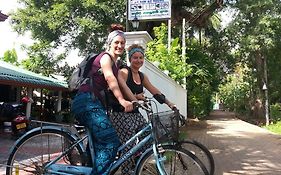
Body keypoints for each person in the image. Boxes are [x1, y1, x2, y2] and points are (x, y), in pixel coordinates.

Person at [71, 24, 133, 175]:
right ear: (110, 43)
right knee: (111, 142)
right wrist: (122, 101)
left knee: (99, 145)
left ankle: (90, 169)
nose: (119, 45)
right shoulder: (106, 58)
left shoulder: (116, 65)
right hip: (86, 102)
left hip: (92, 103)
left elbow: (122, 85)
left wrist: (136, 100)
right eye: (116, 42)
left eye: (122, 43)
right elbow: (110, 78)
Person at [109, 44, 176, 174]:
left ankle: (138, 163)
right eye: (135, 57)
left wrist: (169, 103)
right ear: (130, 59)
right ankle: (127, 171)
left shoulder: (142, 76)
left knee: (148, 137)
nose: (138, 60)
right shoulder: (124, 72)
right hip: (120, 113)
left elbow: (154, 91)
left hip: (135, 114)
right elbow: (114, 91)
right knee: (129, 145)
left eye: (141, 57)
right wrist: (136, 97)